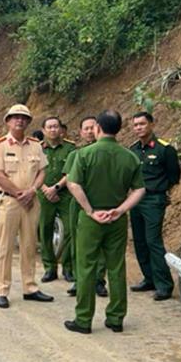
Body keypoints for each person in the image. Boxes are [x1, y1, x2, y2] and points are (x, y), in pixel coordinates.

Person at [64, 110, 146, 334]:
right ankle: (116, 318)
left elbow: (73, 185)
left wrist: (90, 211)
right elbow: (140, 189)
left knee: (86, 267)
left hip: (91, 220)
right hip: (116, 220)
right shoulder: (130, 157)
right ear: (119, 128)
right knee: (116, 267)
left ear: (98, 127)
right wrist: (120, 210)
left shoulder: (85, 154)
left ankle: (83, 319)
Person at [0, 104, 53, 309]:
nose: (19, 120)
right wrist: (18, 193)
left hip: (31, 201)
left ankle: (30, 287)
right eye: (15, 117)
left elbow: (42, 171)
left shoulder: (36, 145)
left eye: (24, 117)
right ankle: (1, 289)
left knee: (29, 245)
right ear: (7, 121)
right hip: (9, 201)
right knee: (5, 247)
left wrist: (32, 190)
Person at [128, 112, 181, 301]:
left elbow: (174, 176)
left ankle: (164, 284)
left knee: (153, 241)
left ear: (152, 124)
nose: (138, 128)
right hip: (136, 199)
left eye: (142, 124)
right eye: (135, 125)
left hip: (153, 199)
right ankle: (148, 278)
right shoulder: (133, 149)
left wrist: (164, 193)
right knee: (140, 241)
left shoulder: (164, 149)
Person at [64, 116, 108, 298]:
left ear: (98, 129)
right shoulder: (75, 155)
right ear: (81, 132)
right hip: (78, 204)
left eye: (92, 127)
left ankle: (98, 280)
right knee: (77, 242)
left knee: (102, 244)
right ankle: (79, 279)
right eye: (85, 128)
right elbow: (69, 180)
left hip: (101, 202)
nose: (89, 131)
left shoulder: (108, 153)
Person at [37, 116, 76, 283]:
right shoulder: (37, 149)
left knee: (69, 230)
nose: (53, 130)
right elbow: (32, 171)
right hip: (43, 194)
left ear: (61, 129)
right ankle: (49, 268)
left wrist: (56, 188)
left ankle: (68, 268)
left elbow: (72, 171)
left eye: (56, 126)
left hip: (65, 194)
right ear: (44, 130)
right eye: (49, 127)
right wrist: (45, 189)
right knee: (44, 230)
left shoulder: (71, 148)